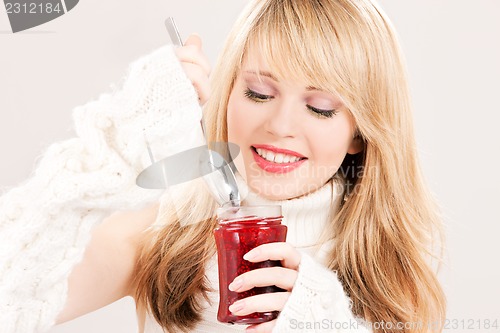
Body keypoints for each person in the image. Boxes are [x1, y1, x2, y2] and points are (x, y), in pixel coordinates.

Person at [0, 0, 446, 332]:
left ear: (360, 132)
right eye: (258, 93)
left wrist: (320, 321)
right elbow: (10, 296)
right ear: (228, 92)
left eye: (321, 107)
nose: (280, 126)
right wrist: (117, 142)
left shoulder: (390, 270)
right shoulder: (166, 230)